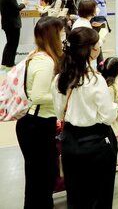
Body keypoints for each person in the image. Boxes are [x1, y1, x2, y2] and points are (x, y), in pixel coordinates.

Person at [53, 27, 118, 209]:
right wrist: (115, 107)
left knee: (76, 196)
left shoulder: (60, 79)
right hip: (97, 142)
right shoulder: (95, 80)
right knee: (100, 196)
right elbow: (107, 116)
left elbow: (59, 113)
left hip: (70, 142)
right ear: (92, 50)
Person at [15, 16, 64, 209]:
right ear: (53, 35)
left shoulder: (37, 55)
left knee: (38, 179)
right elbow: (38, 95)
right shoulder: (45, 62)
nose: (64, 35)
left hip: (35, 123)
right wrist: (64, 97)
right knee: (42, 179)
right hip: (38, 126)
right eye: (61, 32)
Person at [97, 57, 118, 172]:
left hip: (114, 118)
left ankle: (115, 159)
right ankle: (111, 163)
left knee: (114, 142)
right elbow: (108, 107)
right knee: (111, 143)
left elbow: (115, 99)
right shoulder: (108, 88)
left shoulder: (109, 84)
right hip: (111, 120)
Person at [1, 0, 27, 70]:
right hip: (13, 25)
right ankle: (10, 64)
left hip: (6, 24)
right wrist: (24, 3)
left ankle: (4, 63)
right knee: (13, 45)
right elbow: (17, 8)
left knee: (9, 44)